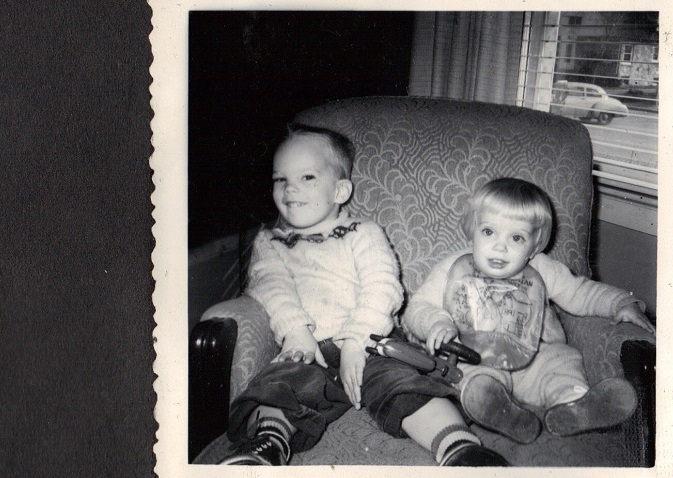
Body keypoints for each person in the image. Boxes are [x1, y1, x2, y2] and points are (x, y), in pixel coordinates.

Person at [218, 124, 508, 466]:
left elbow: (383, 285)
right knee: (279, 384)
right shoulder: (270, 242)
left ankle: (460, 448)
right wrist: (296, 332)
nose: (290, 188)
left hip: (372, 343)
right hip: (308, 349)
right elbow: (271, 286)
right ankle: (267, 445)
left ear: (340, 190)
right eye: (280, 179)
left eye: (307, 177)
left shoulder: (363, 232)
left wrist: (357, 340)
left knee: (402, 383)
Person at [402, 178, 655, 444]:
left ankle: (574, 404)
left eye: (516, 237)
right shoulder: (452, 269)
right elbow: (418, 307)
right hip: (477, 357)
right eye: (488, 232)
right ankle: (497, 409)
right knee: (475, 379)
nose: (500, 246)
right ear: (471, 230)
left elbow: (580, 292)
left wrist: (620, 303)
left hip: (535, 358)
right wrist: (437, 322)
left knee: (562, 360)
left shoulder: (542, 269)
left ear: (534, 246)